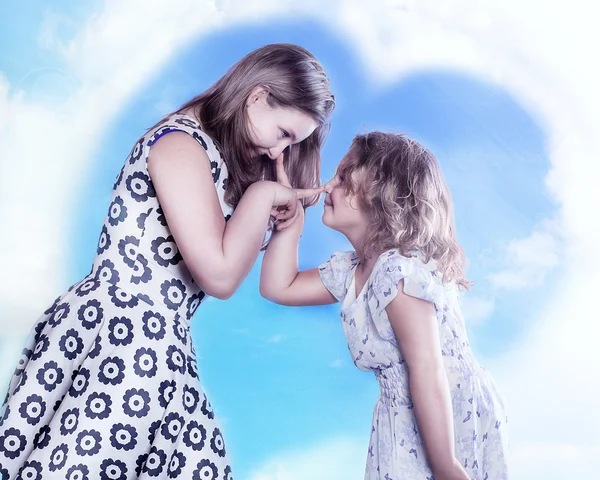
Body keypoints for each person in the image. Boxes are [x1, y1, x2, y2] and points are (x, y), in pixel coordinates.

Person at [0, 43, 334, 479]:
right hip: (121, 340)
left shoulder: (217, 158)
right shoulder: (179, 144)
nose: (279, 152)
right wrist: (264, 195)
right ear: (256, 95)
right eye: (285, 133)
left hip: (161, 349)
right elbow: (218, 274)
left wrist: (284, 215)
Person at [261, 132, 509, 480]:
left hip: (445, 423)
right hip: (401, 421)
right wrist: (292, 219)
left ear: (382, 199)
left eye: (344, 180)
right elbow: (278, 287)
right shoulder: (351, 271)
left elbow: (426, 367)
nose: (328, 187)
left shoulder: (397, 273)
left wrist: (445, 467)